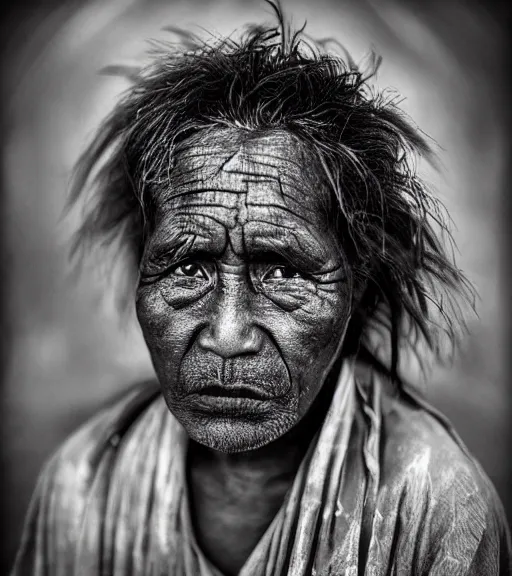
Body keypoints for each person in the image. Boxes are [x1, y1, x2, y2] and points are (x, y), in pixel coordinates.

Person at [12, 5, 512, 576]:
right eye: (186, 268)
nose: (227, 336)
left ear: (359, 284)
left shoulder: (433, 506)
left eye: (282, 272)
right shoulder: (81, 488)